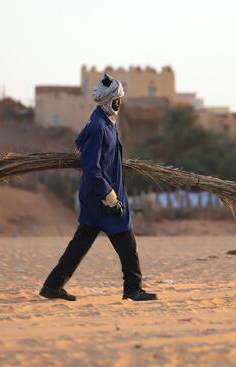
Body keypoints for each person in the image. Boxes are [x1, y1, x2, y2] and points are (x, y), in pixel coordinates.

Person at [39, 73, 157, 302]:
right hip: (101, 198)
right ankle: (132, 289)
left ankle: (53, 285)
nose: (120, 104)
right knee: (126, 240)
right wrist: (109, 197)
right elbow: (91, 167)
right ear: (108, 100)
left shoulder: (106, 122)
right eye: (117, 99)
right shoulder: (98, 126)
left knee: (81, 243)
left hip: (98, 196)